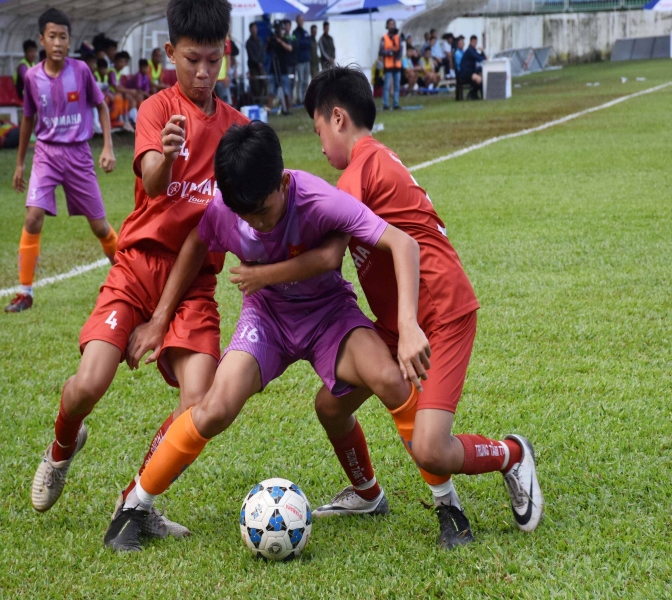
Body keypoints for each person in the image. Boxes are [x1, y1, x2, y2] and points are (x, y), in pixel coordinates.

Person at [104, 121, 431, 551]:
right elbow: (197, 243)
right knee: (214, 408)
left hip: (328, 315)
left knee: (390, 379)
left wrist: (408, 326)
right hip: (267, 319)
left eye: (262, 211)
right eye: (245, 215)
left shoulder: (318, 198)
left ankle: (433, 503)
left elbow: (389, 246)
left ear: (282, 182)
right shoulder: (226, 207)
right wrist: (160, 319)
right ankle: (133, 510)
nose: (255, 223)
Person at [28, 0, 249, 547]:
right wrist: (168, 154)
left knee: (199, 403)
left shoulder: (236, 128)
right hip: (137, 268)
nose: (203, 73)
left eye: (214, 60)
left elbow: (217, 229)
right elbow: (152, 184)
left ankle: (137, 500)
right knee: (89, 383)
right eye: (192, 59)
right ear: (169, 53)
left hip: (194, 280)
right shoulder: (156, 110)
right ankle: (62, 446)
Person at [298, 66, 545, 548]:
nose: (320, 144)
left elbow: (330, 253)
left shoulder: (360, 171)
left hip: (442, 313)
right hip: (399, 321)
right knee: (331, 406)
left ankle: (511, 454)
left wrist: (261, 268)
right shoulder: (371, 164)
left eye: (318, 131)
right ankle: (367, 493)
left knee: (432, 448)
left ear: (338, 117)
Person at [6, 8, 117, 313]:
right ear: (42, 39)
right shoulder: (31, 76)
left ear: (70, 42)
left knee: (99, 226)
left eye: (63, 37)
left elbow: (102, 107)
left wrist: (107, 147)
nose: (57, 42)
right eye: (52, 36)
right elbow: (28, 119)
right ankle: (25, 292)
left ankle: (128, 277)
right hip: (46, 154)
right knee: (32, 217)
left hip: (79, 155)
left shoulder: (81, 71)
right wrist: (19, 164)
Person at [266, 21, 292, 114]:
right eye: (278, 30)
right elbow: (267, 50)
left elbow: (290, 48)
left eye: (280, 29)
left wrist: (280, 41)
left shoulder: (285, 39)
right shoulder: (273, 40)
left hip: (283, 69)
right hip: (274, 70)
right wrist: (270, 41)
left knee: (286, 91)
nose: (279, 31)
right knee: (272, 91)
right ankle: (268, 111)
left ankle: (287, 110)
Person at [379, 19, 402, 110]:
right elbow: (381, 51)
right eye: (390, 24)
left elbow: (400, 49)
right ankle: (386, 104)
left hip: (397, 65)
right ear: (387, 26)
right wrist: (390, 52)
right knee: (387, 85)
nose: (392, 26)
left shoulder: (398, 37)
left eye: (393, 24)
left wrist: (396, 56)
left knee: (397, 85)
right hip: (388, 65)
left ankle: (396, 103)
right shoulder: (384, 37)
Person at [460, 35, 487, 99]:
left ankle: (474, 94)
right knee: (479, 79)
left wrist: (482, 51)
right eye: (474, 42)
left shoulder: (473, 50)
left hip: (471, 71)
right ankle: (473, 94)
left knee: (482, 74)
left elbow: (480, 57)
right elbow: (479, 58)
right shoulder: (470, 51)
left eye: (476, 42)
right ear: (470, 42)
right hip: (466, 73)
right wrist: (485, 57)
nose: (475, 43)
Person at [293, 15, 311, 104]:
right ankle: (299, 99)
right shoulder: (295, 33)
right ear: (297, 21)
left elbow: (309, 43)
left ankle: (305, 98)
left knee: (305, 80)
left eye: (302, 20)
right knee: (300, 80)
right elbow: (298, 44)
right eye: (299, 20)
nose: (301, 22)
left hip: (306, 59)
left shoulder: (305, 32)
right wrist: (305, 43)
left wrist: (304, 43)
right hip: (299, 61)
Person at [245, 22, 267, 100]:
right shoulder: (248, 42)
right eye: (252, 28)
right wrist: (257, 62)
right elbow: (251, 55)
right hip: (253, 67)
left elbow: (263, 52)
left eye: (255, 28)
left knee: (265, 82)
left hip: (261, 66)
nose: (254, 30)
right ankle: (256, 101)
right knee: (255, 85)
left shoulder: (260, 41)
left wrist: (262, 62)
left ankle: (263, 100)